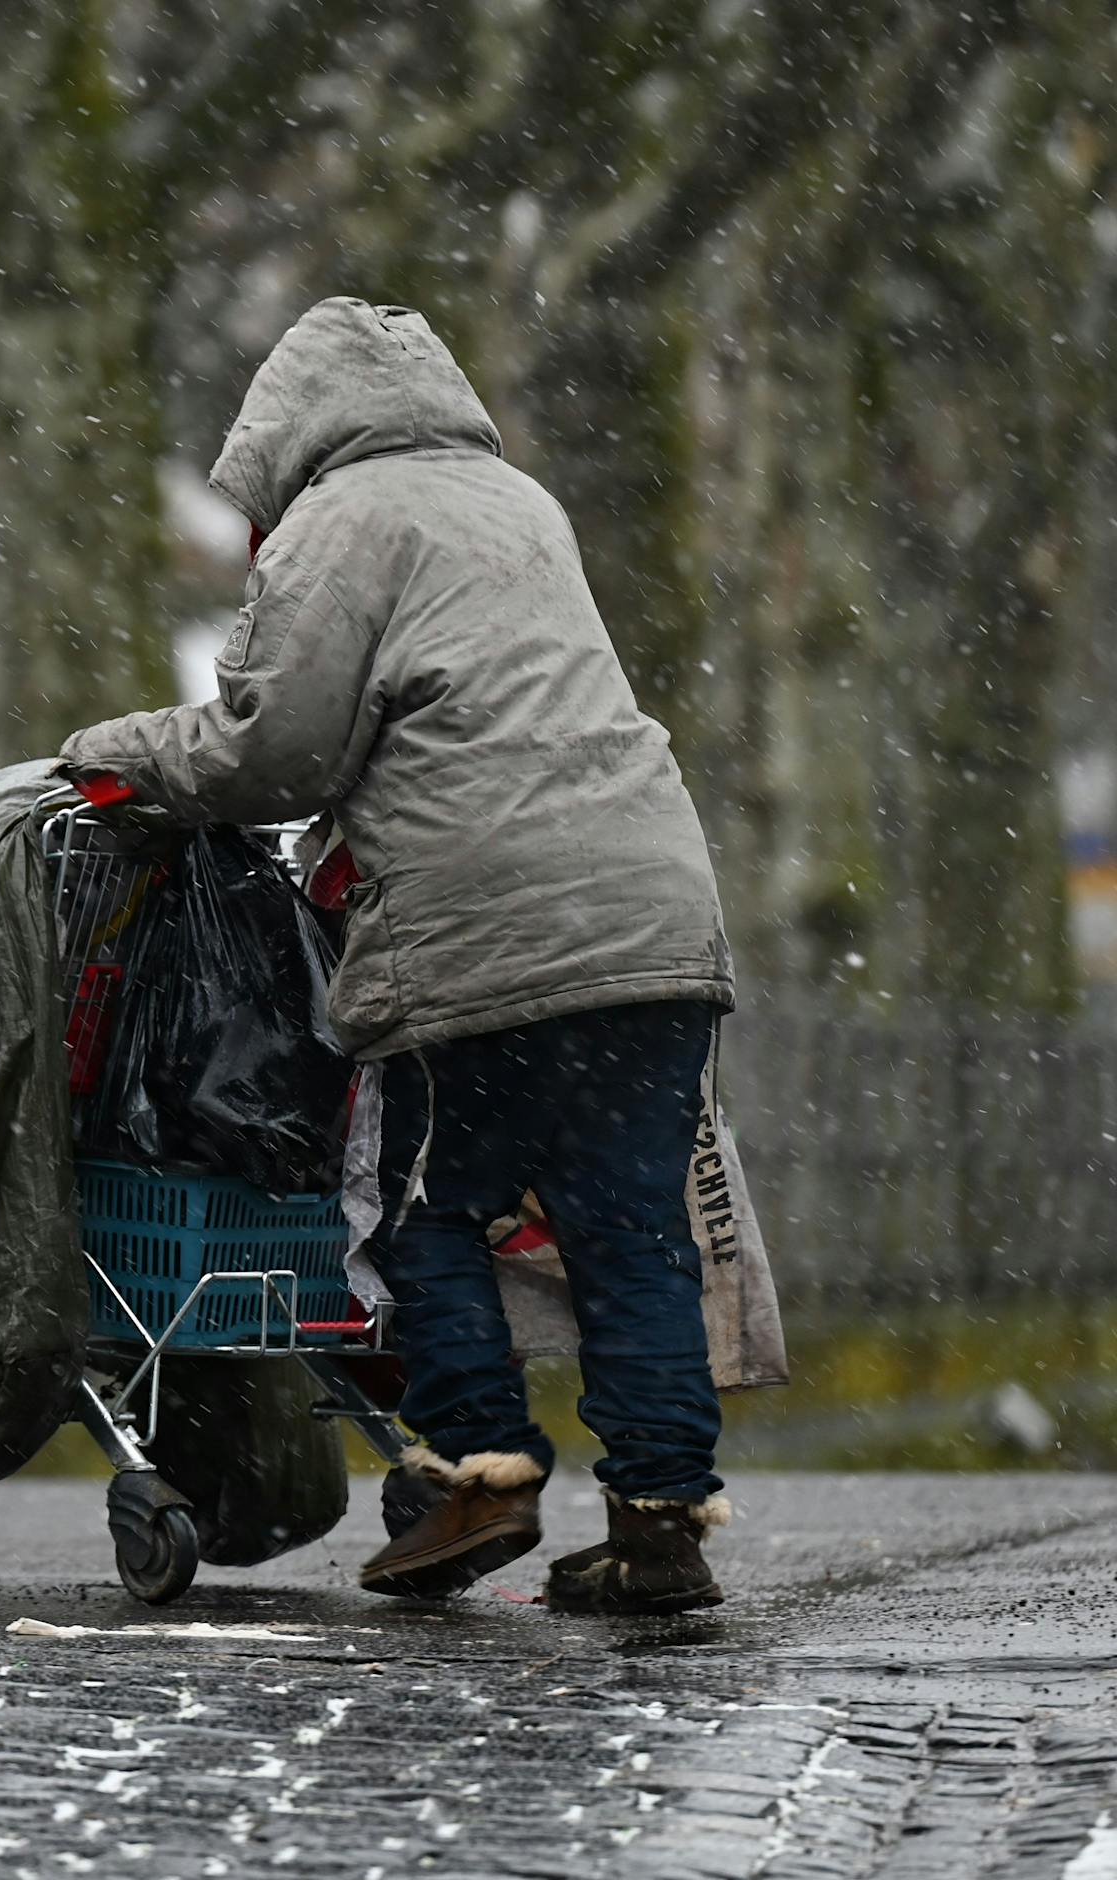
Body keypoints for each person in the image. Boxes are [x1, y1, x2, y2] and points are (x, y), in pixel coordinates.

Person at [59, 297, 735, 1614]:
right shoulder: (521, 503)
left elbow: (277, 751)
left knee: (420, 1210)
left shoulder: (340, 519)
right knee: (629, 1232)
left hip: (481, 921)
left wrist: (114, 752)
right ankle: (660, 1527)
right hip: (655, 914)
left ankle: (480, 1475)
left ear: (285, 431)